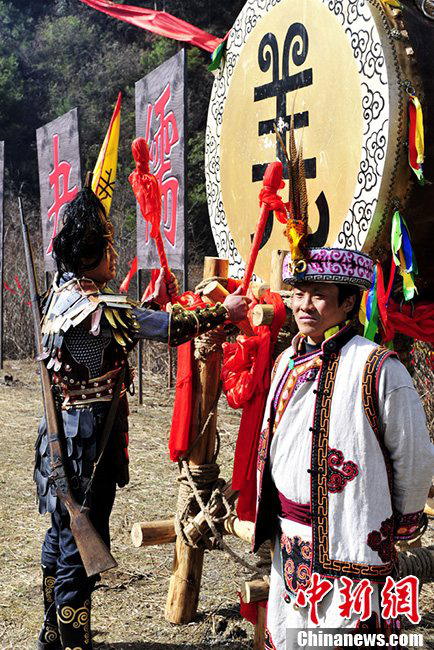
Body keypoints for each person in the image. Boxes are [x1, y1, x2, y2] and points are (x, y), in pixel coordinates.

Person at [34, 187, 249, 650]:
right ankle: (72, 642)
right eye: (108, 247)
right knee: (79, 539)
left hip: (57, 436)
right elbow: (167, 328)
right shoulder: (100, 306)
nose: (115, 254)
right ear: (93, 253)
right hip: (88, 438)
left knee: (60, 533)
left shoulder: (62, 295)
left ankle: (53, 633)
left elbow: (127, 322)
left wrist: (143, 309)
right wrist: (222, 312)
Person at [253, 246, 434, 649]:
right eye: (298, 293)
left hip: (352, 534)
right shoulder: (286, 361)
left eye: (319, 294)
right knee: (293, 634)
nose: (304, 305)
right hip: (292, 535)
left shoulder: (378, 367)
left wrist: (401, 523)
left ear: (349, 301)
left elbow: (414, 455)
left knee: (342, 634)